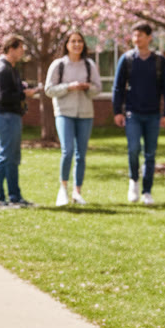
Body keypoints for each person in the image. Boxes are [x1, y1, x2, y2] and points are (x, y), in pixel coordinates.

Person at [110, 24, 165, 205]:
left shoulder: (159, 61)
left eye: (140, 36)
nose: (137, 39)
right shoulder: (127, 59)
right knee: (133, 149)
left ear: (149, 38)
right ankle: (134, 181)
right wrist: (117, 111)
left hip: (153, 115)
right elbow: (117, 87)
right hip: (132, 114)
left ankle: (147, 191)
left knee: (150, 154)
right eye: (134, 36)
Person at [44, 31, 101, 206]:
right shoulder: (58, 65)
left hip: (85, 114)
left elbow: (98, 88)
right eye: (73, 41)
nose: (77, 44)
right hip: (64, 113)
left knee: (81, 154)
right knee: (67, 150)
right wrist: (69, 87)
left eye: (80, 41)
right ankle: (63, 189)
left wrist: (86, 87)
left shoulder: (89, 65)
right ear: (66, 44)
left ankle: (77, 192)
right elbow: (49, 90)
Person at [0, 35, 42, 209]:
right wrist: (24, 94)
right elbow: (3, 97)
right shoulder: (2, 69)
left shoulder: (10, 68)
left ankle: (15, 197)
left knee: (13, 158)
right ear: (11, 48)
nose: (23, 52)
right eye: (21, 48)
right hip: (5, 117)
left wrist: (22, 89)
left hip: (12, 117)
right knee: (5, 156)